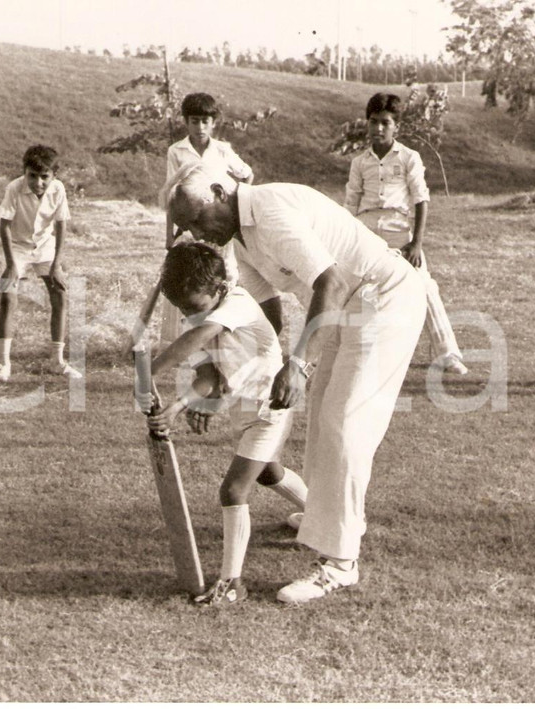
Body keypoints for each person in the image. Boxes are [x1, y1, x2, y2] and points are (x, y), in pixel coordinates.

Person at [166, 163, 427, 604]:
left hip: (384, 298)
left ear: (219, 193)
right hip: (344, 309)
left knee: (346, 425)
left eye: (195, 219)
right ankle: (328, 520)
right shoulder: (239, 241)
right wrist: (232, 374)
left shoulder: (270, 209)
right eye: (185, 227)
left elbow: (331, 281)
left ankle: (340, 564)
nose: (195, 233)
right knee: (325, 420)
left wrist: (300, 364)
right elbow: (267, 318)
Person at [146, 242, 308, 606]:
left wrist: (150, 371)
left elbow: (197, 338)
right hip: (242, 410)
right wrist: (178, 407)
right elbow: (208, 377)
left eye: (194, 307)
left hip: (271, 407)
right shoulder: (198, 315)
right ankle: (320, 518)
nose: (189, 315)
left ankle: (232, 582)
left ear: (219, 288)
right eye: (183, 309)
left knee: (233, 491)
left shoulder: (239, 302)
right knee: (268, 474)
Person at [344, 92, 467, 375]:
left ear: (396, 126)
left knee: (424, 285)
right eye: (373, 122)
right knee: (347, 284)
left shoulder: (409, 157)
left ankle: (448, 353)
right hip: (364, 229)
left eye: (385, 123)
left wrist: (416, 243)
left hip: (398, 229)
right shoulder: (359, 162)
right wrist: (345, 242)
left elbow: (421, 199)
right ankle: (333, 349)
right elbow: (350, 203)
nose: (378, 128)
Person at [159, 93, 255, 344]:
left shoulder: (222, 150)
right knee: (188, 277)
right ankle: (185, 336)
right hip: (191, 226)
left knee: (225, 272)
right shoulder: (176, 151)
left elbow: (246, 174)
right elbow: (172, 194)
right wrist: (169, 234)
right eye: (194, 121)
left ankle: (224, 333)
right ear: (185, 121)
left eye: (205, 121)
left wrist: (238, 208)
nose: (200, 127)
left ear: (213, 123)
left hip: (217, 224)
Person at [0, 145, 82, 381]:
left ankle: (57, 361)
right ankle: (3, 363)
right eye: (32, 176)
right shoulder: (14, 188)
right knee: (8, 296)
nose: (38, 182)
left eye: (44, 177)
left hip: (44, 246)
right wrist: (11, 265)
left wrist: (56, 265)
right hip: (18, 246)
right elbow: (4, 226)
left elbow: (61, 226)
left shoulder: (58, 189)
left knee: (60, 293)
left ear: (54, 175)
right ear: (24, 172)